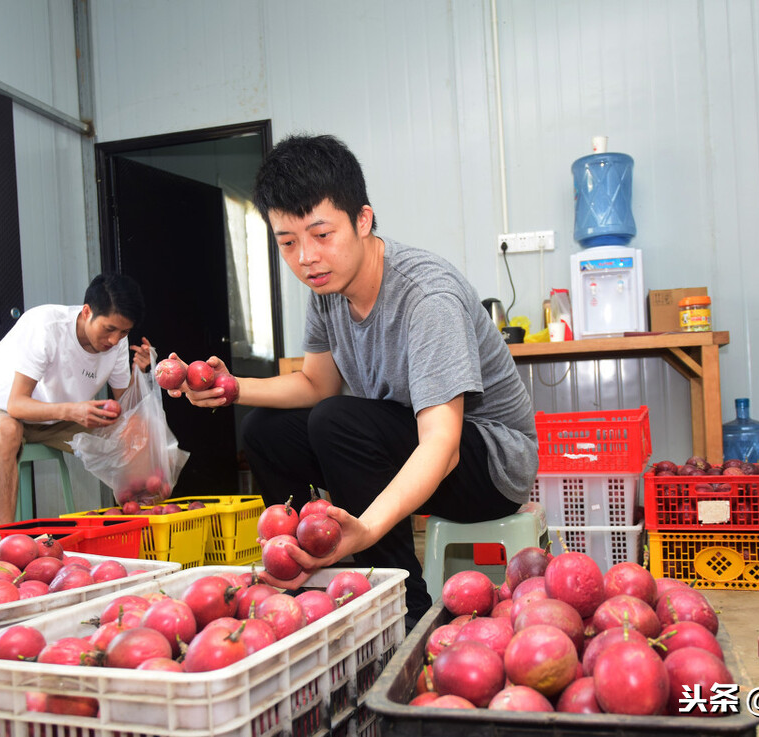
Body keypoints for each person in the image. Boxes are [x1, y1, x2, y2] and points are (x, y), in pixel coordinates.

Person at [170, 134, 540, 626]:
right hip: (405, 443)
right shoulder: (326, 288)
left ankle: (400, 606)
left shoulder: (427, 296)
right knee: (265, 431)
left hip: (490, 465)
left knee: (337, 422)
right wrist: (231, 388)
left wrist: (364, 529)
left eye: (322, 235)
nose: (306, 258)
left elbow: (442, 446)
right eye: (288, 243)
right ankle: (313, 570)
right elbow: (315, 384)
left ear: (363, 220)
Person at [0, 273, 151, 525]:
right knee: (8, 430)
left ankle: (145, 526)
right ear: (86, 312)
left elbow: (125, 407)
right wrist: (73, 411)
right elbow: (16, 405)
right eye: (109, 329)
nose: (114, 340)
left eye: (124, 332)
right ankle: (5, 542)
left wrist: (140, 373)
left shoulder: (116, 344)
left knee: (134, 434)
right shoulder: (46, 326)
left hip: (55, 421)